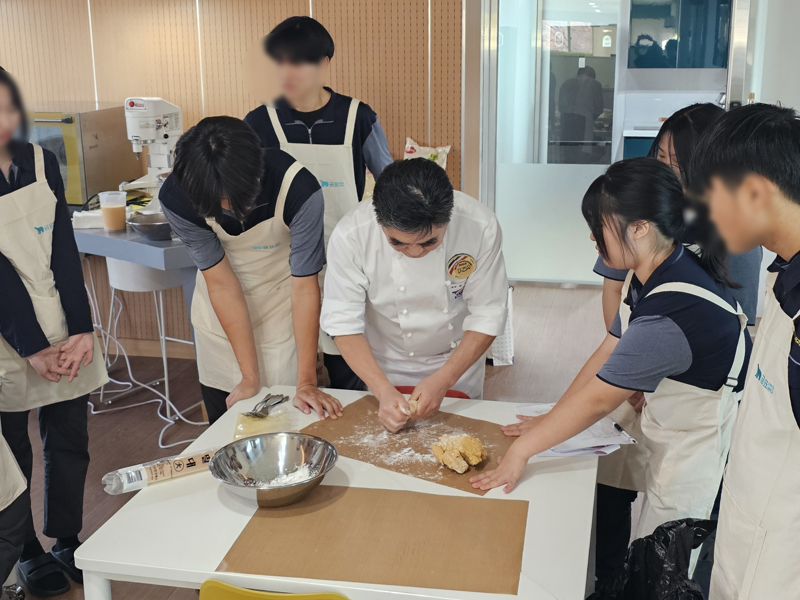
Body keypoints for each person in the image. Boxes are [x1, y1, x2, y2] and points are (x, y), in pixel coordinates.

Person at [471, 158, 751, 585]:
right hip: (669, 419)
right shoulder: (650, 270)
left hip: (696, 443)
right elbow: (609, 347)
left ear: (639, 228)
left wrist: (522, 452)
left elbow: (601, 398)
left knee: (665, 565)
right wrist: (552, 415)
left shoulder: (671, 309)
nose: (591, 236)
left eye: (598, 225)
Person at [0, 67, 108, 595]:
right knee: (11, 453)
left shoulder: (41, 160)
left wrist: (81, 328)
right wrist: (33, 347)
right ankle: (25, 551)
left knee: (69, 437)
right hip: (6, 334)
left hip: (59, 319)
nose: (4, 122)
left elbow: (64, 245)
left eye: (9, 108)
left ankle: (67, 537)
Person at [244, 16, 393, 391]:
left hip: (346, 257)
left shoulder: (358, 117)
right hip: (284, 262)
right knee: (288, 362)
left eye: (297, 62)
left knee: (348, 360)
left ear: (324, 63)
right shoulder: (259, 122)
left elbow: (390, 182)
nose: (286, 72)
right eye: (279, 62)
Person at [160, 116, 341, 424]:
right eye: (217, 202)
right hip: (220, 313)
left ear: (258, 172)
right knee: (225, 429)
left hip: (285, 304)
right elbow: (222, 284)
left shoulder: (298, 188)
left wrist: (306, 382)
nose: (228, 209)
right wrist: (249, 376)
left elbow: (304, 286)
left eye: (234, 199)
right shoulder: (177, 195)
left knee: (286, 422)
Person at [690, 103, 800, 600]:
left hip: (782, 561)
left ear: (754, 191)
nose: (705, 217)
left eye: (709, 198)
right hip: (747, 524)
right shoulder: (784, 271)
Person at [320, 159, 508, 432]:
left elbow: (488, 312)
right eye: (398, 243)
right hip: (385, 360)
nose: (416, 252)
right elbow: (342, 322)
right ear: (379, 221)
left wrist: (445, 378)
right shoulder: (351, 235)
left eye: (430, 242)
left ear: (449, 217)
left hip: (458, 359)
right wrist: (382, 389)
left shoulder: (480, 226)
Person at [594, 103, 763, 329]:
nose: (665, 169)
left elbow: (736, 322)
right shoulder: (641, 203)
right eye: (662, 156)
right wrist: (623, 342)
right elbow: (614, 288)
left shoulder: (740, 238)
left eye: (678, 162)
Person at [558, 66, 604, 163]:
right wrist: (593, 120)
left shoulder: (566, 83)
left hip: (565, 119)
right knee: (583, 153)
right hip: (584, 120)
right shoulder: (595, 84)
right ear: (593, 76)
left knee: (567, 152)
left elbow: (560, 107)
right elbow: (599, 108)